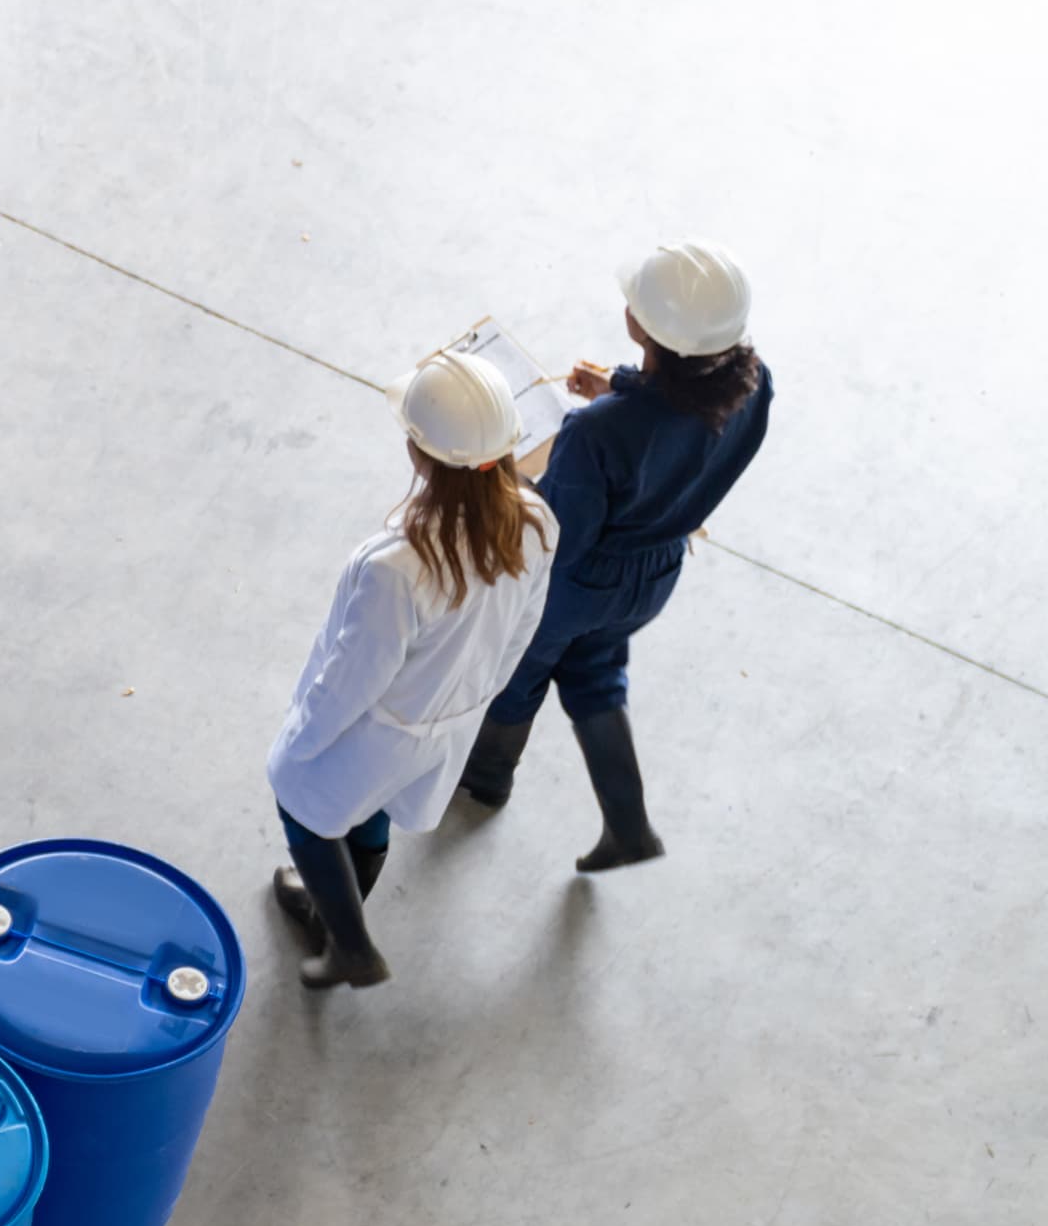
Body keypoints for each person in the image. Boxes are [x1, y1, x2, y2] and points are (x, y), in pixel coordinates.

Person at [456, 241, 772, 871]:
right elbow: (685, 424)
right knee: (596, 674)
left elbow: (559, 541)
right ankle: (627, 825)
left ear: (642, 326)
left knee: (522, 670)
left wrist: (502, 480)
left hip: (575, 588)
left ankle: (488, 778)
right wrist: (622, 387)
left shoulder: (596, 433)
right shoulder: (753, 385)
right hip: (657, 572)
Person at [263, 347, 560, 990]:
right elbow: (522, 632)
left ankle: (348, 941)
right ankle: (335, 907)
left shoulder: (397, 567)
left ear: (418, 452)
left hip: (379, 727)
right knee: (373, 810)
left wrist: (303, 742)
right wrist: (476, 697)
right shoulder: (535, 520)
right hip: (451, 716)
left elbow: (353, 677)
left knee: (304, 809)